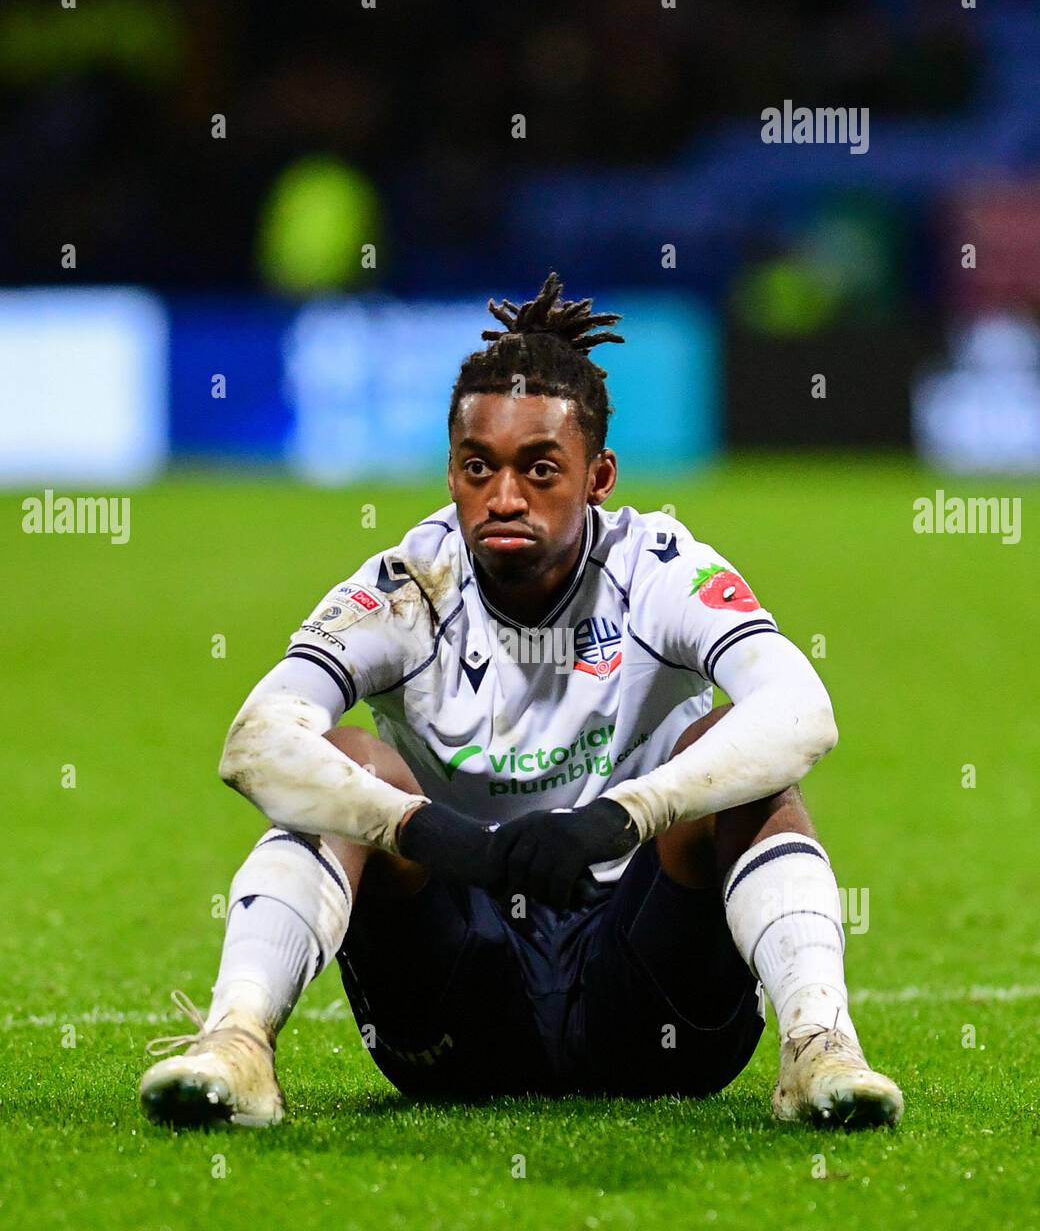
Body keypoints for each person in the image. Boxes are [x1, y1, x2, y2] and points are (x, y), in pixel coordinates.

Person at [140, 272, 903, 1130]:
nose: (504, 497)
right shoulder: (407, 588)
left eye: (540, 469)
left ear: (598, 476)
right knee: (349, 759)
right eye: (478, 468)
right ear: (452, 472)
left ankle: (819, 1047)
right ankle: (236, 1044)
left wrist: (622, 817)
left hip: (652, 1009)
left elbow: (803, 711)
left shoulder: (658, 568)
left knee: (738, 753)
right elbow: (255, 741)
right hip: (458, 1014)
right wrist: (434, 835)